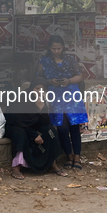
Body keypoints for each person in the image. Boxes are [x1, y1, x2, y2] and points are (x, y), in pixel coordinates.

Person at [35, 35, 88, 170]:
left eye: (59, 48)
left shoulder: (70, 60)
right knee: (62, 127)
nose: (56, 51)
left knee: (74, 126)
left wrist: (68, 81)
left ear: (63, 47)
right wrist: (49, 82)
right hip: (55, 96)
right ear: (49, 48)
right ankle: (69, 155)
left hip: (71, 94)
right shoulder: (44, 61)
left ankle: (77, 156)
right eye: (54, 48)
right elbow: (37, 78)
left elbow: (80, 76)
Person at [4, 80, 67, 180]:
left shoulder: (41, 101)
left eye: (42, 89)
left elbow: (45, 122)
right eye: (37, 88)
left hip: (32, 126)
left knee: (50, 131)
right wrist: (34, 135)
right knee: (20, 133)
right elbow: (20, 121)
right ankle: (16, 167)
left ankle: (52, 163)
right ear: (31, 89)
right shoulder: (22, 99)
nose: (39, 91)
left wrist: (41, 108)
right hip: (15, 126)